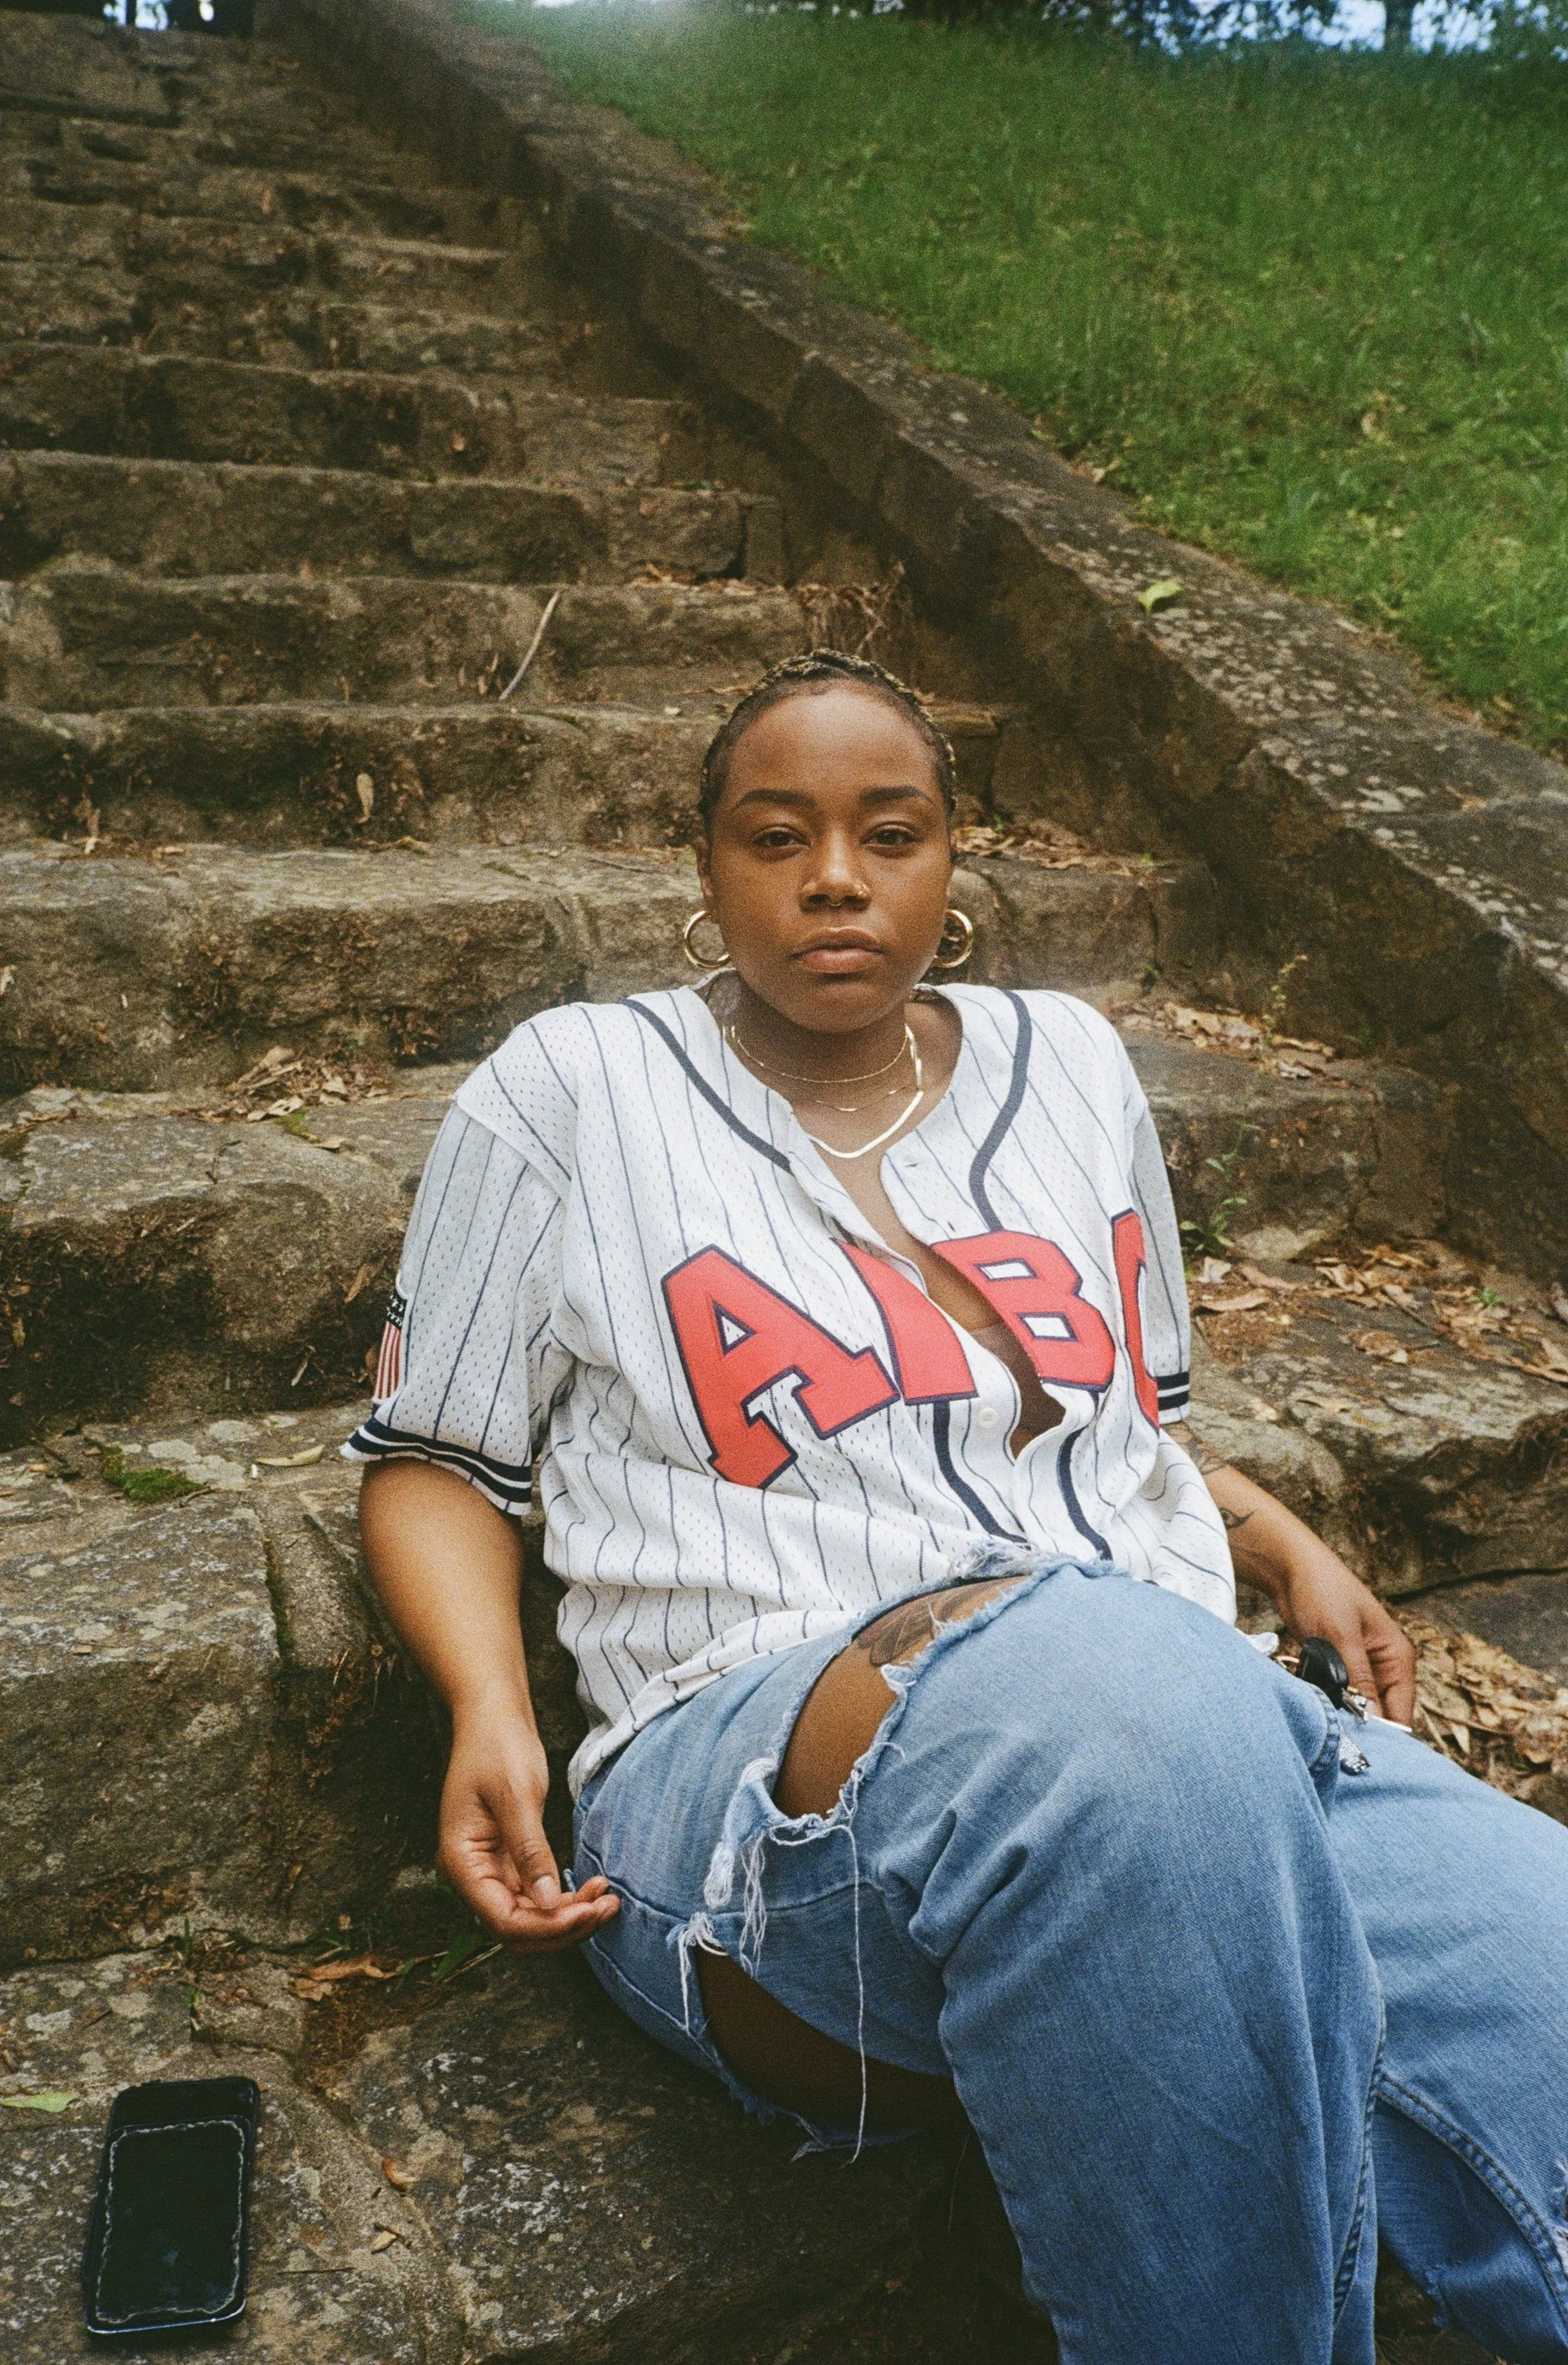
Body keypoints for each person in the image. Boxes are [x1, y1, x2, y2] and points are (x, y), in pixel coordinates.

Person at [351, 649, 1568, 2365]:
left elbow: (1109, 1420)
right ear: (702, 863)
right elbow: (435, 1455)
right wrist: (488, 1702)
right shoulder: (570, 1090)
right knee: (1116, 1698)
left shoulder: (1067, 1063)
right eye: (775, 835)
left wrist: (1255, 1521)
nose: (833, 875)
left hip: (1192, 1727)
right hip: (769, 1777)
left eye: (888, 832)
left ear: (951, 856)